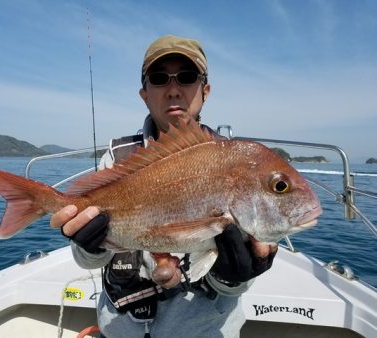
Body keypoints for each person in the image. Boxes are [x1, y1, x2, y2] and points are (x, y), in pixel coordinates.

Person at [51, 35, 277, 338]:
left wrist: (235, 275)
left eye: (187, 77)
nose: (173, 90)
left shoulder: (231, 163)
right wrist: (88, 245)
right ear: (144, 94)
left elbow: (231, 286)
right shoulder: (117, 159)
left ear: (205, 90)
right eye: (159, 79)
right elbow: (87, 261)